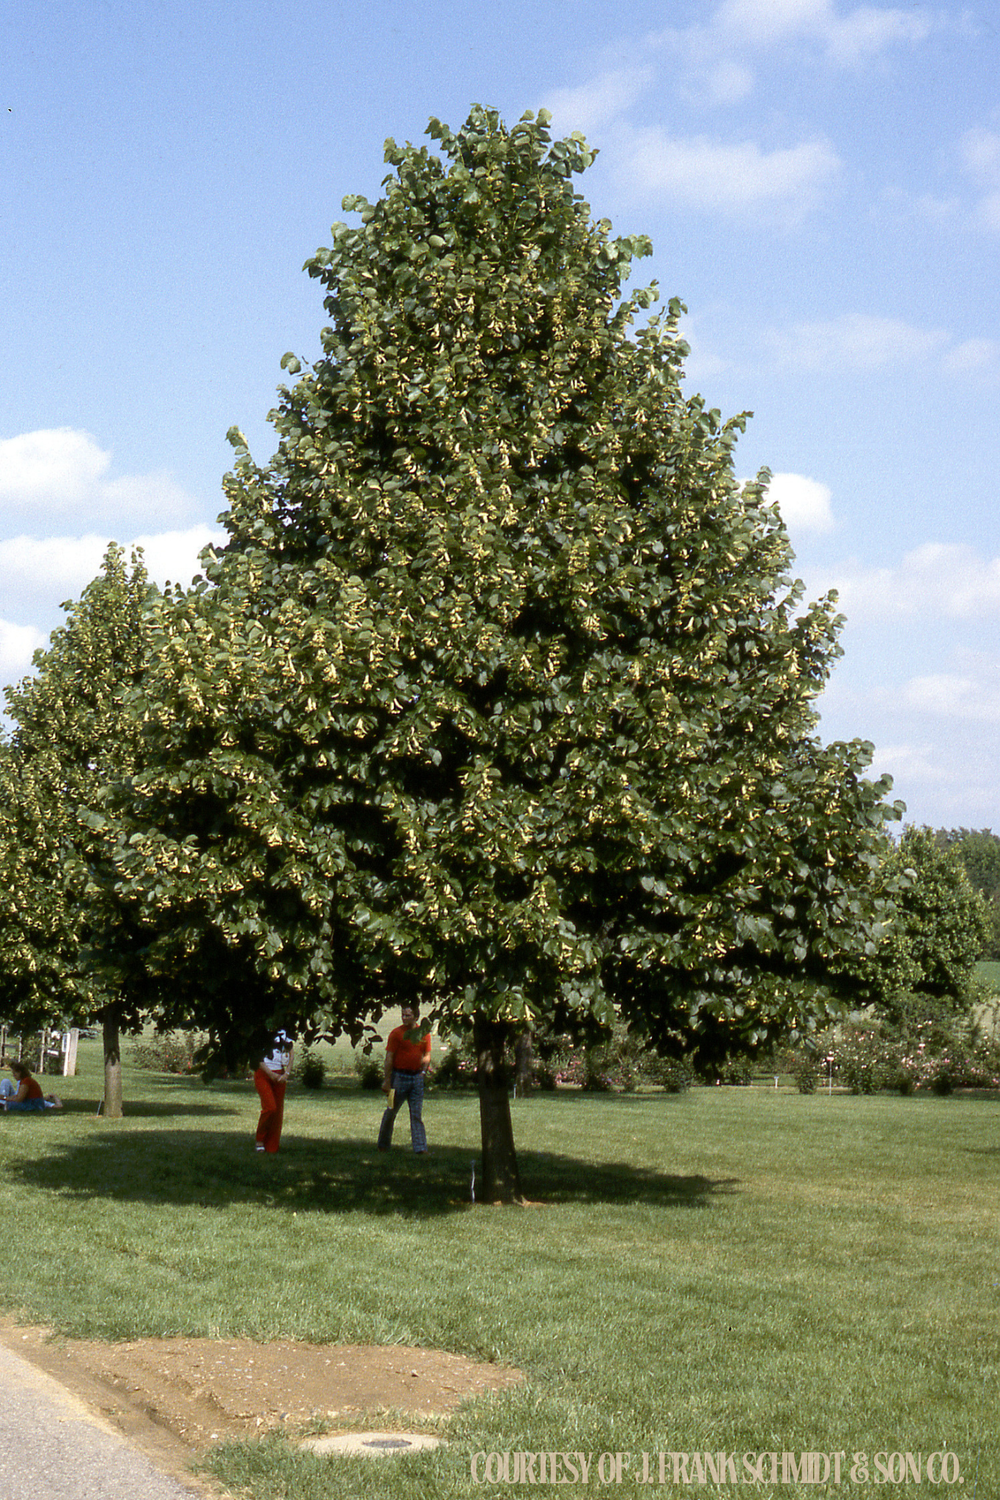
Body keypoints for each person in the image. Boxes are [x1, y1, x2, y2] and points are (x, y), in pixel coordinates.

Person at [378, 1003, 431, 1154]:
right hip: (398, 1078)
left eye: (408, 1015)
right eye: (403, 1015)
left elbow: (427, 1054)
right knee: (390, 1111)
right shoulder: (396, 1034)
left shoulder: (424, 1033)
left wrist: (423, 1072)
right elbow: (389, 1057)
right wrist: (387, 1079)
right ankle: (383, 1144)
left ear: (416, 1016)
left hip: (416, 1079)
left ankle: (420, 1148)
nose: (404, 1018)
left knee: (416, 1114)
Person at [254, 1031, 293, 1153]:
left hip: (280, 1075)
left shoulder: (284, 1031)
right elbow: (257, 1057)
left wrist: (286, 1073)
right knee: (270, 1107)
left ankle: (272, 1145)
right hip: (263, 1074)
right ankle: (260, 1139)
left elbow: (291, 1052)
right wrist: (271, 1075)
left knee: (277, 1112)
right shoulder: (261, 1031)